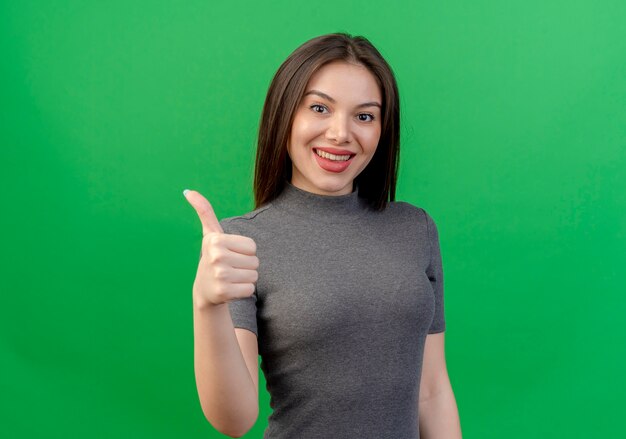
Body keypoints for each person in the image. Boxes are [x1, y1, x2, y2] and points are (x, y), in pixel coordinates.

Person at [184, 33, 462, 438]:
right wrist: (206, 303)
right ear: (285, 115)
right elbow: (235, 419)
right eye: (319, 108)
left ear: (383, 129)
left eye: (364, 116)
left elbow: (432, 393)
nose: (339, 134)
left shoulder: (415, 229)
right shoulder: (240, 243)